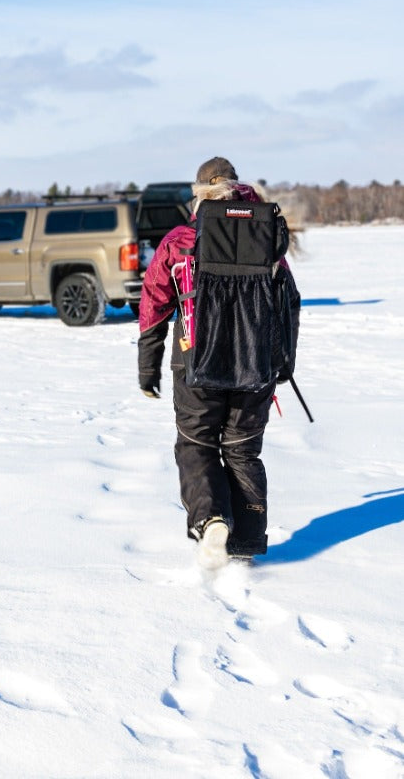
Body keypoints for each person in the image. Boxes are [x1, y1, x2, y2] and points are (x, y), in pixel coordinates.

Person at [137, 157, 300, 569]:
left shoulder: (179, 242)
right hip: (256, 364)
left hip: (195, 361)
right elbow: (288, 304)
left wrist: (147, 367)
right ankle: (244, 543)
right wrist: (283, 362)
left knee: (197, 445)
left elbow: (154, 303)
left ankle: (210, 521)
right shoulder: (268, 240)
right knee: (243, 452)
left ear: (198, 195)